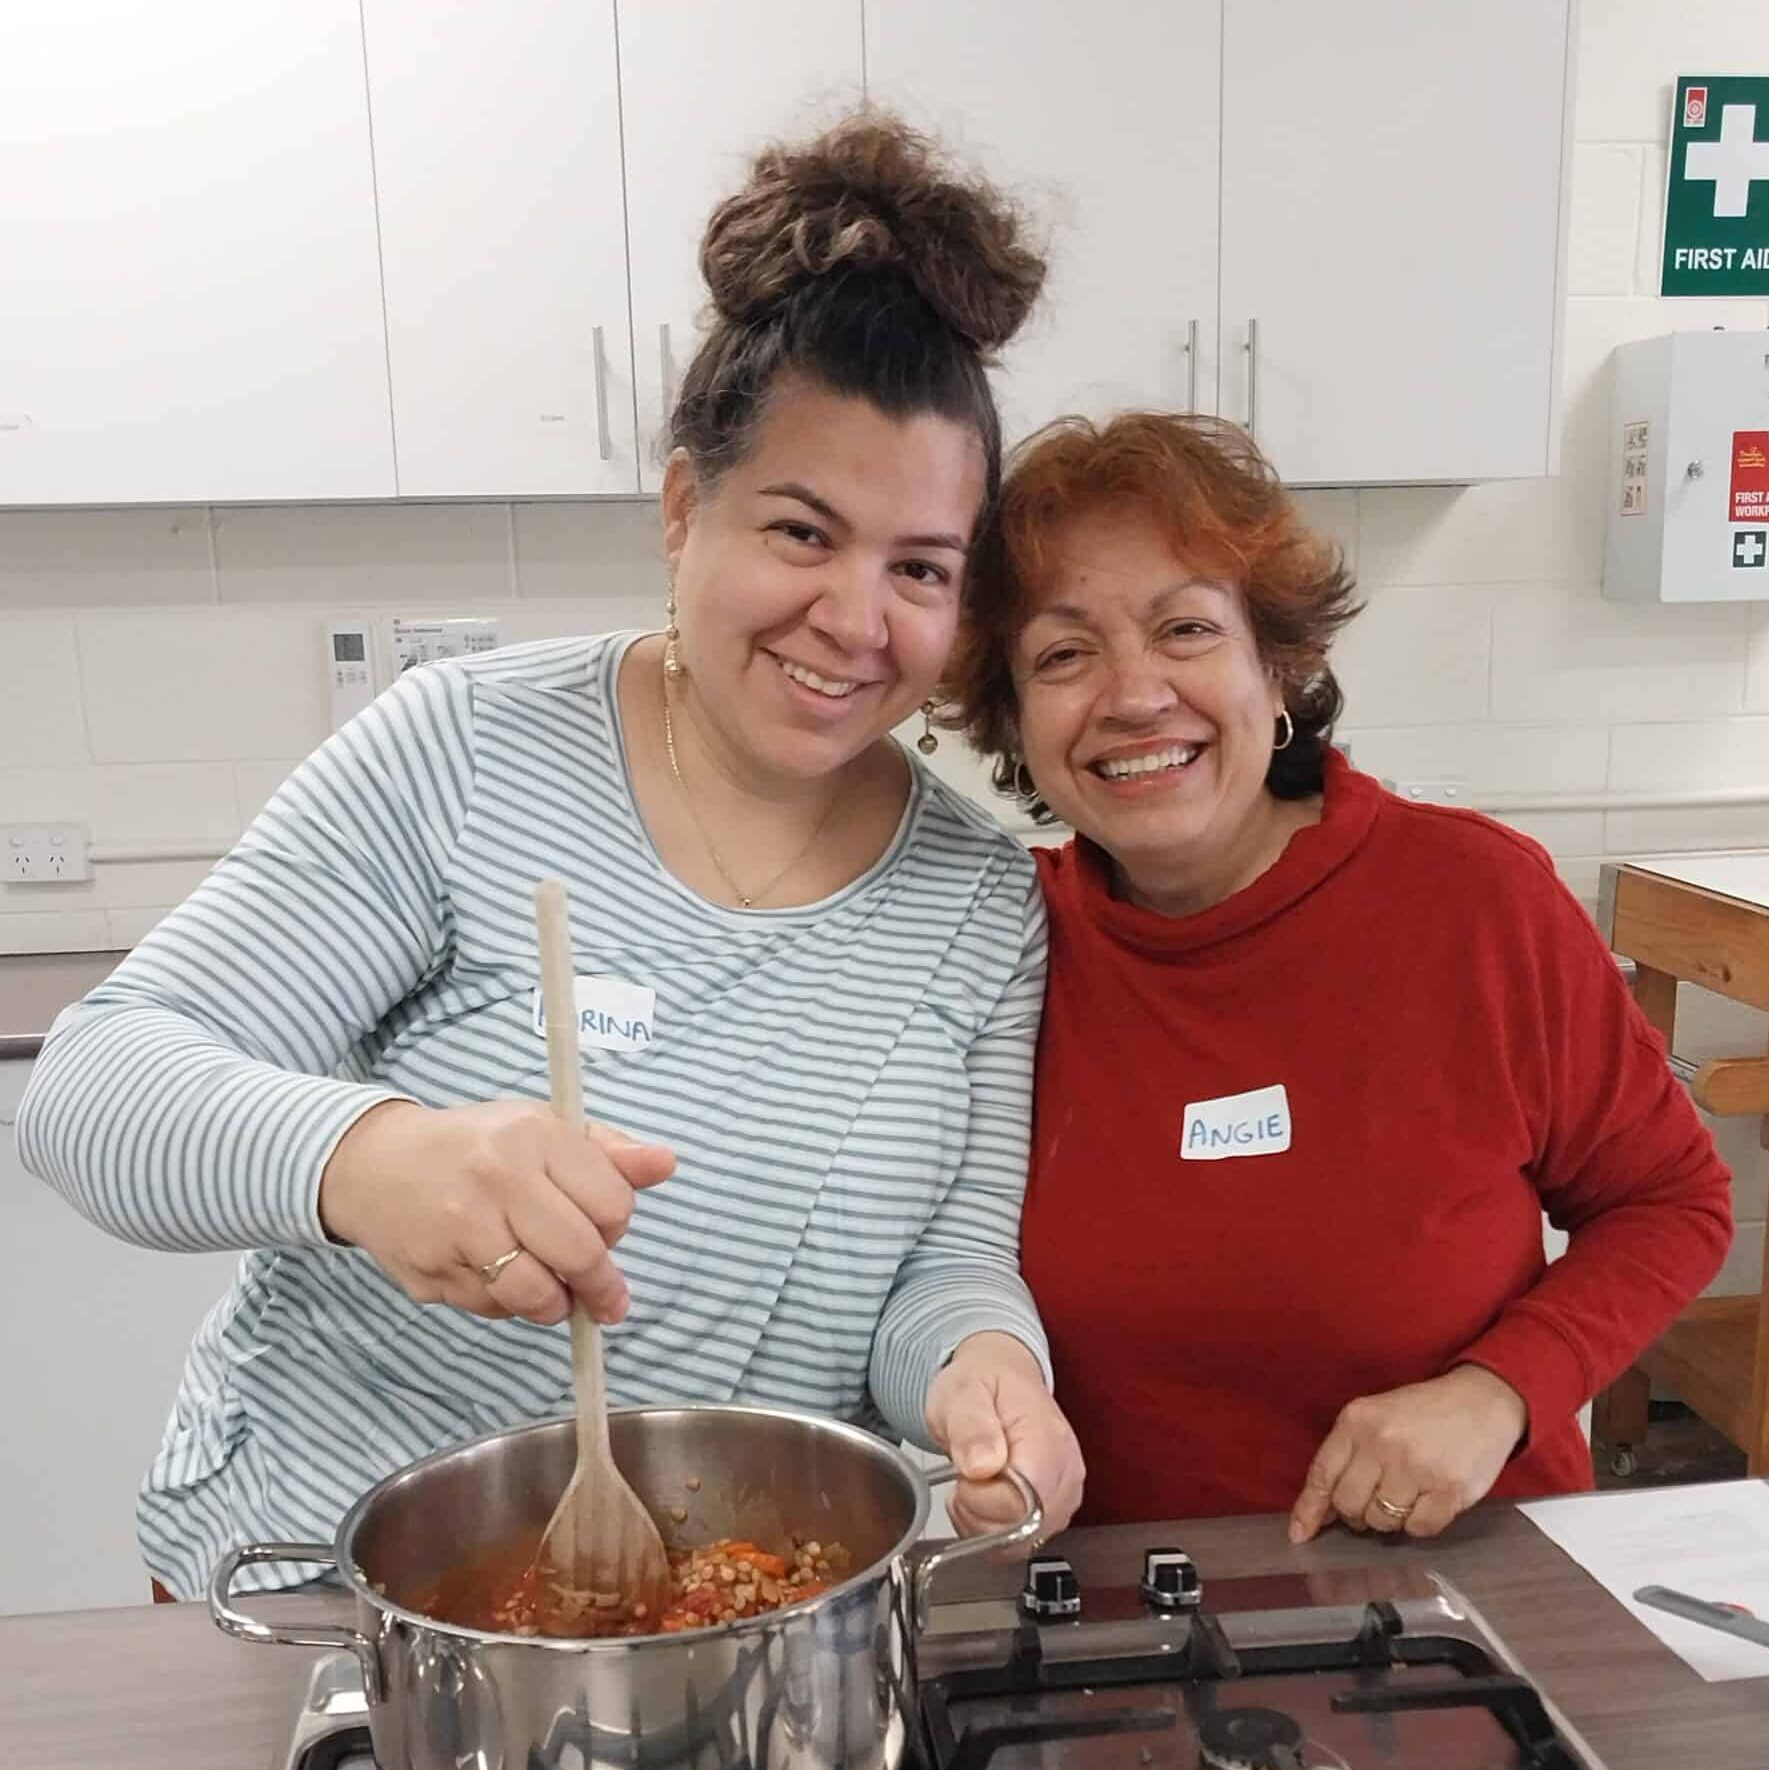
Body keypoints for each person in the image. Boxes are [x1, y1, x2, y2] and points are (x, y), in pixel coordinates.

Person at [16, 114, 1083, 1600]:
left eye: (918, 567)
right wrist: (373, 1160)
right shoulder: (469, 751)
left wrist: (984, 1370)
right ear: (681, 510)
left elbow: (945, 1267)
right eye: (800, 530)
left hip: (735, 1618)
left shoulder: (978, 901)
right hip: (329, 1596)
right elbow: (93, 1086)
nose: (855, 617)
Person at [944, 410, 1731, 1540]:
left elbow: (1670, 1202)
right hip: (1121, 1618)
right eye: (1062, 655)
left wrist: (1495, 1391)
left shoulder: (1472, 902)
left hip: (1460, 1593)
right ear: (1014, 723)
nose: (1131, 694)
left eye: (1183, 629)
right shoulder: (997, 945)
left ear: (1278, 668)